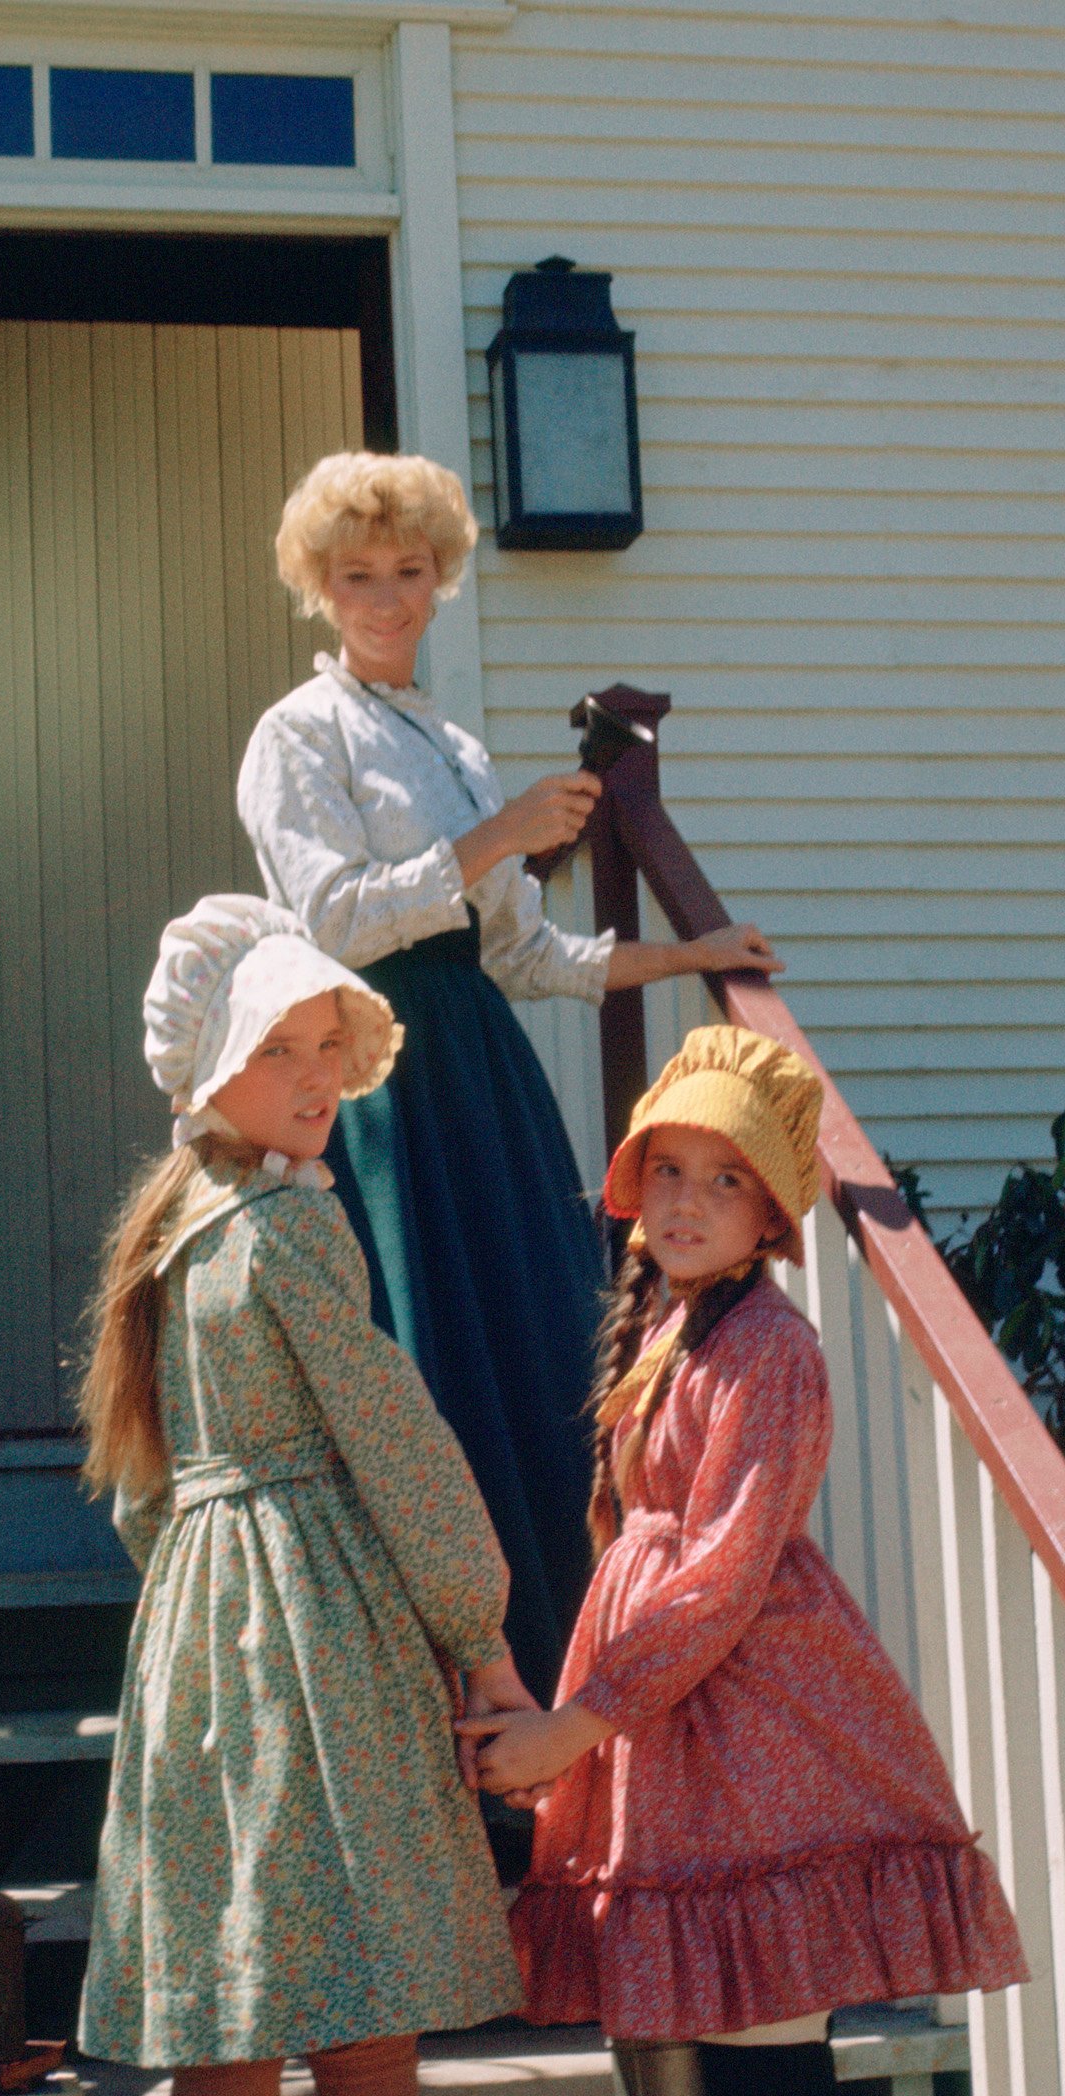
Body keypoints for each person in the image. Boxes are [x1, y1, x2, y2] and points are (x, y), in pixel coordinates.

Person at [459, 1027, 1029, 2096]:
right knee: (734, 2051)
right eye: (670, 1168)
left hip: (756, 1716)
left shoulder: (772, 1345)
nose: (687, 1201)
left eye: (725, 1179)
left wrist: (579, 1721)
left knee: (773, 2062)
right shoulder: (665, 1324)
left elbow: (718, 1579)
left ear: (772, 1211)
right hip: (676, 1720)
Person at [76, 895, 533, 2096]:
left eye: (327, 1043)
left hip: (198, 1642)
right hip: (315, 1639)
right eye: (281, 1048)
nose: (318, 1072)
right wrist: (477, 1630)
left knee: (215, 2058)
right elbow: (394, 1440)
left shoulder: (167, 1235)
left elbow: (142, 1489)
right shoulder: (289, 1223)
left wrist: (201, 1589)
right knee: (362, 2056)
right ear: (207, 1066)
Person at [237, 450, 782, 1707]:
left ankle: (564, 1686)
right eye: (357, 575)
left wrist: (686, 952)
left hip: (483, 1075)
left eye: (409, 572)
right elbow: (329, 920)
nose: (385, 598)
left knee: (545, 1360)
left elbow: (525, 955)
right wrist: (502, 832)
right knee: (423, 1378)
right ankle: (441, 1709)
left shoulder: (453, 743)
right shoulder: (295, 736)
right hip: (381, 1075)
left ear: (441, 582)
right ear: (321, 587)